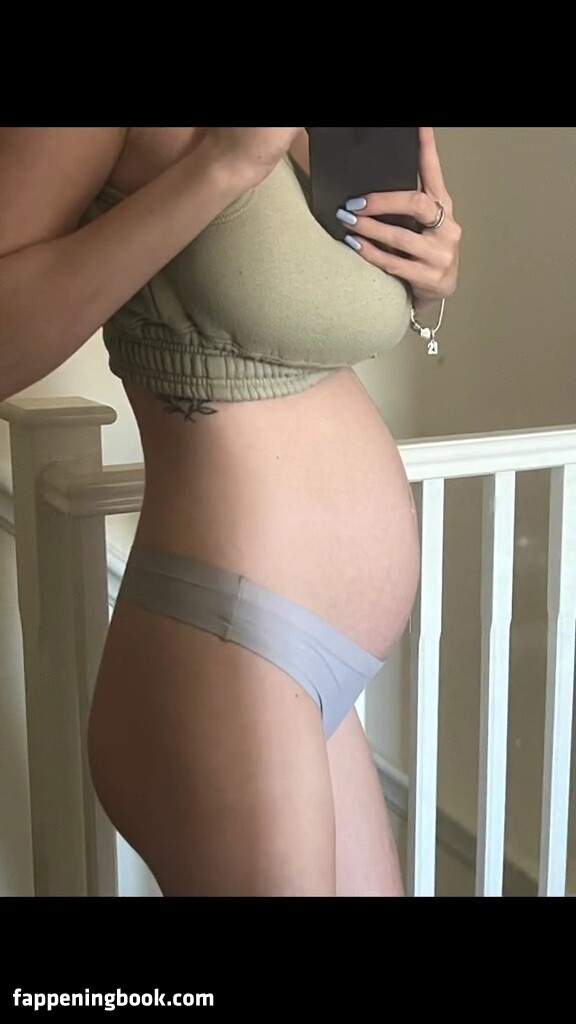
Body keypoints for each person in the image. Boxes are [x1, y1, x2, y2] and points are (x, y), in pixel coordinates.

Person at [0, 127, 461, 896]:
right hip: (229, 639)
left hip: (303, 676)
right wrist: (222, 167)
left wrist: (431, 283)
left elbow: (315, 305)